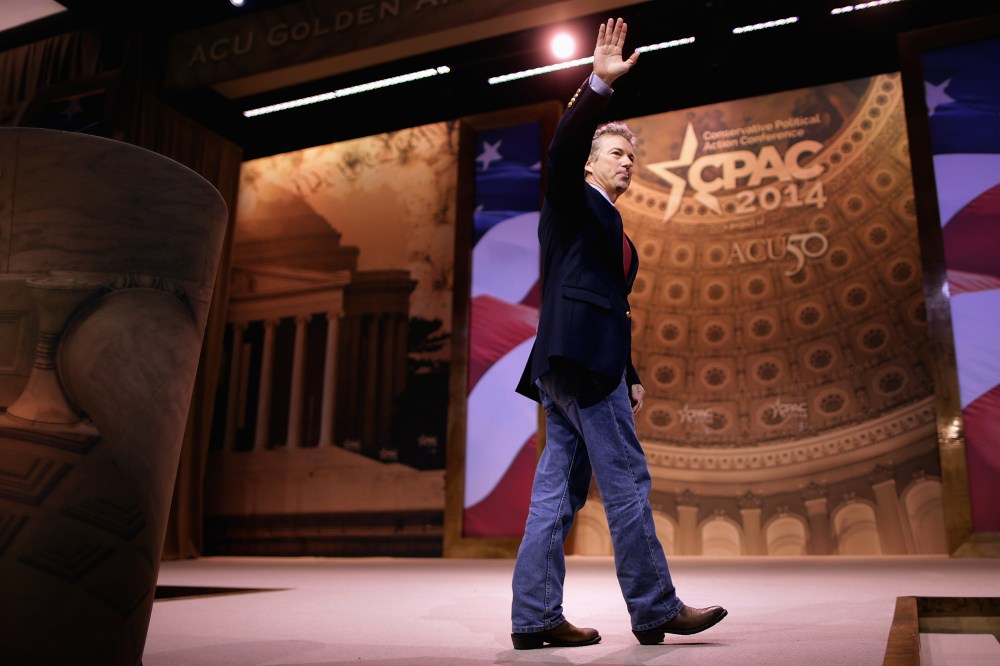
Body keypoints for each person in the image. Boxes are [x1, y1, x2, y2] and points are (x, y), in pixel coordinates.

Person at [510, 17, 727, 649]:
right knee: (627, 481)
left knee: (556, 497)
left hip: (573, 365)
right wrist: (597, 86)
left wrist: (628, 375)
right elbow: (562, 148)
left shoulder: (609, 221)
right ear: (589, 162)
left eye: (632, 156)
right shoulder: (573, 199)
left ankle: (535, 618)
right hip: (579, 363)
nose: (627, 163)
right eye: (616, 154)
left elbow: (610, 305)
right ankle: (655, 606)